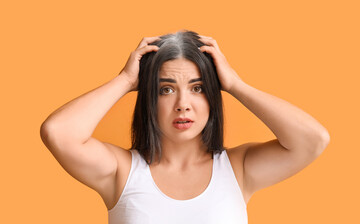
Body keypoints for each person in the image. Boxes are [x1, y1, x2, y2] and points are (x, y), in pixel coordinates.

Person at [40, 30, 330, 223]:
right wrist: (126, 81)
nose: (183, 104)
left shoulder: (239, 169)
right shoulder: (121, 171)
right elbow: (58, 133)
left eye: (198, 88)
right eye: (165, 89)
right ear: (149, 98)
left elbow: (313, 139)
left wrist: (235, 85)